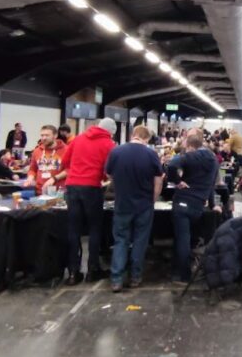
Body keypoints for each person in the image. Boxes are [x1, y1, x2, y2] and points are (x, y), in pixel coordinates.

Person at [46, 117, 117, 284]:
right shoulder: (109, 145)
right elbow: (109, 170)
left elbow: (64, 162)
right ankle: (93, 270)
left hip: (72, 187)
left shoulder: (78, 139)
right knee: (94, 229)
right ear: (110, 132)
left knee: (73, 229)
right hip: (92, 188)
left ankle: (72, 272)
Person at [105, 125, 164, 292]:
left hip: (122, 203)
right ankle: (135, 277)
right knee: (140, 240)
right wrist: (152, 198)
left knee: (121, 240)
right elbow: (158, 180)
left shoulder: (116, 151)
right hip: (144, 204)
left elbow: (109, 175)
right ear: (146, 139)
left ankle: (116, 279)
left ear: (133, 135)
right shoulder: (151, 154)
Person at [165, 132, 219, 283]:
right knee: (190, 238)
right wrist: (213, 204)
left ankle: (182, 275)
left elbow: (172, 164)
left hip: (183, 202)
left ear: (190, 146)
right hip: (198, 206)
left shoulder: (192, 155)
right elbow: (211, 185)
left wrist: (176, 181)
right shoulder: (213, 159)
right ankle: (189, 269)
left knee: (182, 239)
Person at [24, 125, 65, 195]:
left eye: (47, 135)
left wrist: (54, 179)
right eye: (42, 135)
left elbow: (70, 170)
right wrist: (30, 178)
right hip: (40, 191)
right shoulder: (37, 151)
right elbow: (32, 169)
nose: (44, 138)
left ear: (55, 136)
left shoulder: (66, 150)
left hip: (59, 192)